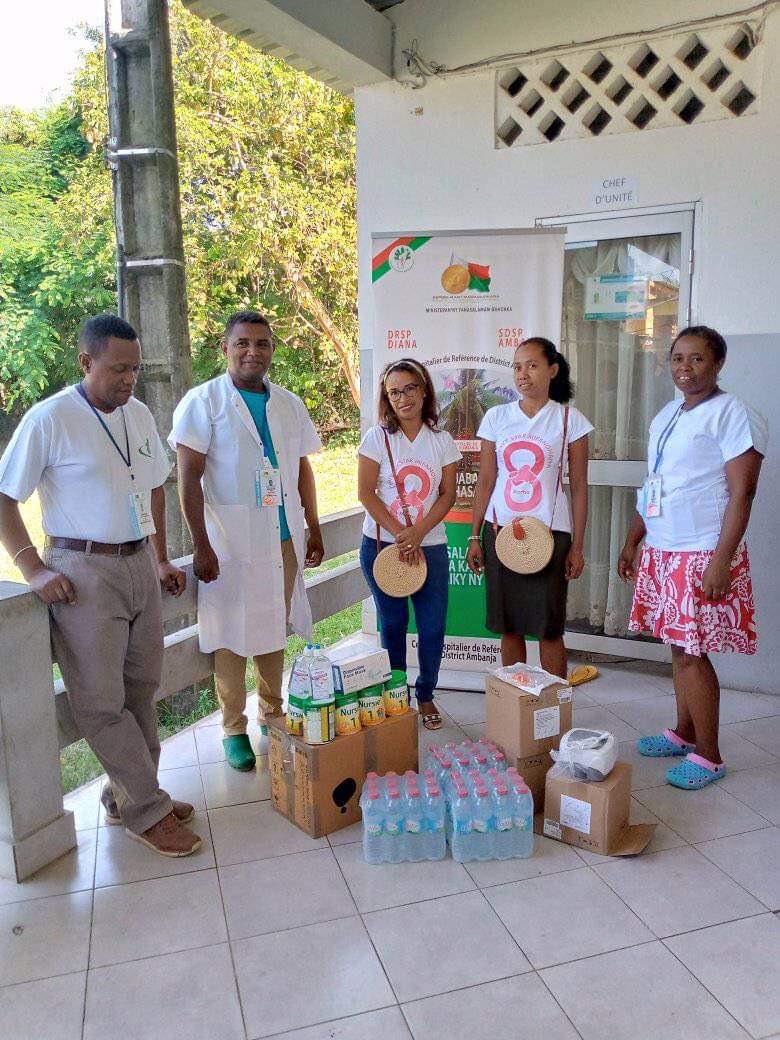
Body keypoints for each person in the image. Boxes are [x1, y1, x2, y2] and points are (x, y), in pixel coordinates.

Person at [0, 314, 198, 857]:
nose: (128, 380)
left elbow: (155, 483)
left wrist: (158, 557)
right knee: (99, 701)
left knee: (141, 688)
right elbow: (5, 496)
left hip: (138, 565)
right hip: (82, 571)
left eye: (134, 369)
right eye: (117, 369)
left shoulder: (136, 413)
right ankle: (148, 809)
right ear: (85, 363)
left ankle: (129, 795)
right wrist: (33, 570)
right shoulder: (51, 418)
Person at [170, 310, 324, 771]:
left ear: (273, 350)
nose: (252, 352)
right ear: (225, 348)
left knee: (273, 626)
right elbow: (188, 477)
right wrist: (201, 544)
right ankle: (233, 728)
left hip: (281, 539)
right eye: (243, 343)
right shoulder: (202, 402)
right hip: (228, 543)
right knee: (231, 637)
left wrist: (313, 526)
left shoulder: (289, 403)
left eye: (262, 343)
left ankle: (272, 714)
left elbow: (302, 468)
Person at [618, 326, 766, 790]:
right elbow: (655, 485)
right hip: (664, 548)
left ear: (718, 363)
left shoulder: (733, 413)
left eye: (697, 359)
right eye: (678, 358)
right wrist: (633, 539)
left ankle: (710, 755)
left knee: (691, 653)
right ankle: (684, 732)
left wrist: (721, 562)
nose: (685, 367)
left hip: (700, 551)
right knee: (677, 648)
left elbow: (744, 492)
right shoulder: (666, 415)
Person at [466, 337, 592, 679]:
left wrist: (577, 547)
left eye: (532, 365)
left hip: (551, 536)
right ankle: (518, 702)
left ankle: (553, 706)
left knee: (549, 628)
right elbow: (486, 480)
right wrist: (474, 537)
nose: (523, 374)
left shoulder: (570, 419)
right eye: (517, 366)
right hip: (500, 532)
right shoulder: (496, 417)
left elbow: (579, 488)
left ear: (552, 370)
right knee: (510, 626)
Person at [358, 359, 461, 730]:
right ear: (387, 398)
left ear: (424, 390)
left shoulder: (441, 441)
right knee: (394, 624)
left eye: (410, 389)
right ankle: (396, 693)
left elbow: (448, 495)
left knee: (433, 627)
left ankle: (427, 694)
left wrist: (419, 533)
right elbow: (366, 494)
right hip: (383, 547)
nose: (403, 398)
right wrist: (403, 533)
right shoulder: (377, 438)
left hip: (430, 547)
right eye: (395, 392)